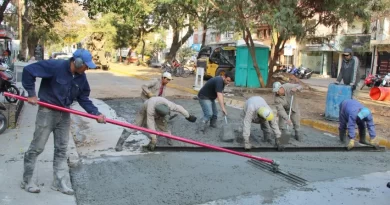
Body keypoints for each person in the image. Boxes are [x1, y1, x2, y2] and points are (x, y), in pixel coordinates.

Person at [21, 49, 106, 195]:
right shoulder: (55, 66)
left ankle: (59, 182)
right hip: (47, 112)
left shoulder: (81, 78)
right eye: (86, 65)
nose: (87, 69)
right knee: (37, 147)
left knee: (61, 149)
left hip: (65, 114)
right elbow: (28, 71)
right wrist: (31, 94)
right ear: (77, 62)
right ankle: (27, 180)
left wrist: (96, 113)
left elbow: (83, 98)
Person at [115, 97, 197, 152]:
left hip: (160, 111)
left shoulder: (168, 105)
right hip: (145, 109)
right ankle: (120, 143)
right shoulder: (150, 109)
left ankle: (169, 137)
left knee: (162, 126)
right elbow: (150, 123)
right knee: (136, 125)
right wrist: (153, 139)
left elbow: (179, 108)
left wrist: (188, 116)